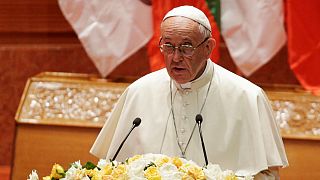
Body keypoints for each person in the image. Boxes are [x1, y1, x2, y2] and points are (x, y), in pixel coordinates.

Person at [90, 5, 288, 178]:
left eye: (186, 47)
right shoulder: (138, 92)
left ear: (208, 47)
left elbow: (267, 174)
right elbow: (110, 168)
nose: (175, 57)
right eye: (168, 46)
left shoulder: (248, 97)